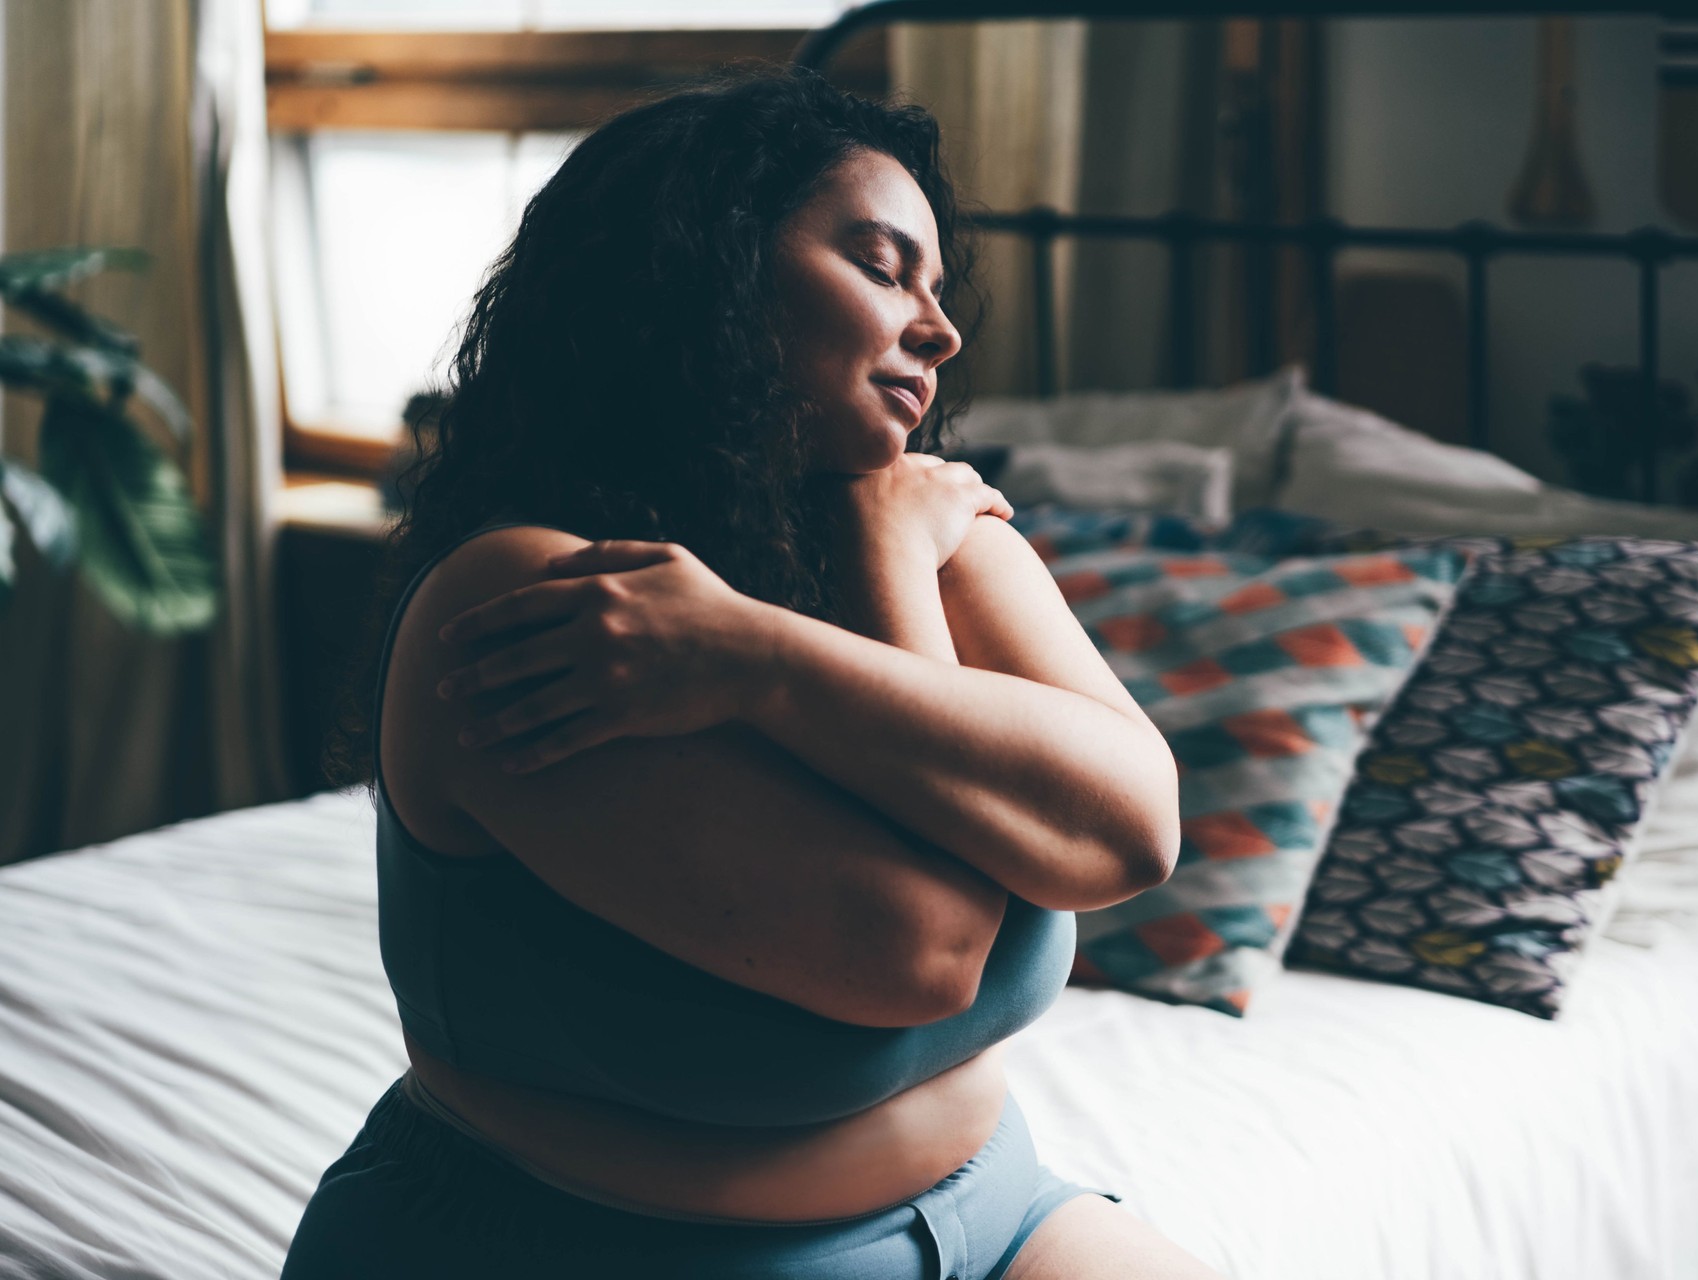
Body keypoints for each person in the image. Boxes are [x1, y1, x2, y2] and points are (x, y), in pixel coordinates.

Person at [283, 64, 1220, 1279]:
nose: (937, 328)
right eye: (883, 266)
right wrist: (829, 614)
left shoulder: (910, 518)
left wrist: (762, 649)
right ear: (706, 269)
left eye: (938, 288)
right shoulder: (539, 596)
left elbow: (1136, 829)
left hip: (991, 1207)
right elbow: (920, 949)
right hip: (581, 1247)